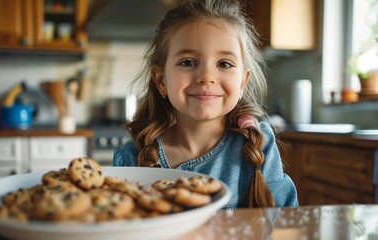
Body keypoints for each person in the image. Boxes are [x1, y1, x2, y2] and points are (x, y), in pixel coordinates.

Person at [113, 0, 298, 209]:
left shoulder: (259, 144)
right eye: (188, 62)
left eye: (224, 64)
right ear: (161, 80)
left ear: (243, 83)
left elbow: (285, 223)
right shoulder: (131, 157)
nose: (206, 77)